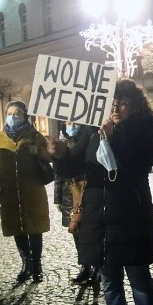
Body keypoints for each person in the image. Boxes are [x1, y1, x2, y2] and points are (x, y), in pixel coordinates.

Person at [93, 79, 153, 305]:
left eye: (122, 102)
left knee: (139, 283)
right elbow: (87, 168)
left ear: (134, 105)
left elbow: (136, 164)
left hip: (132, 217)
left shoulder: (144, 129)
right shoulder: (100, 131)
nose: (116, 108)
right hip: (104, 219)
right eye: (112, 103)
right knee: (110, 284)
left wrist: (113, 139)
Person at [0, 101, 51, 283]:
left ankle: (37, 265)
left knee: (35, 228)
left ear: (24, 116)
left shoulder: (35, 136)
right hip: (10, 192)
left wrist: (37, 150)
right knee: (17, 227)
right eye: (10, 113)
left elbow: (49, 155)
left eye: (17, 114)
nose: (13, 117)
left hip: (33, 190)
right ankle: (26, 263)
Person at [51, 121, 99, 285]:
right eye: (68, 122)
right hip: (69, 193)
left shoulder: (89, 136)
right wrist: (57, 198)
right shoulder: (63, 139)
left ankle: (97, 267)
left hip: (86, 188)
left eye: (75, 122)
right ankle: (85, 266)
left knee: (91, 229)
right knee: (76, 231)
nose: (71, 125)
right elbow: (58, 175)